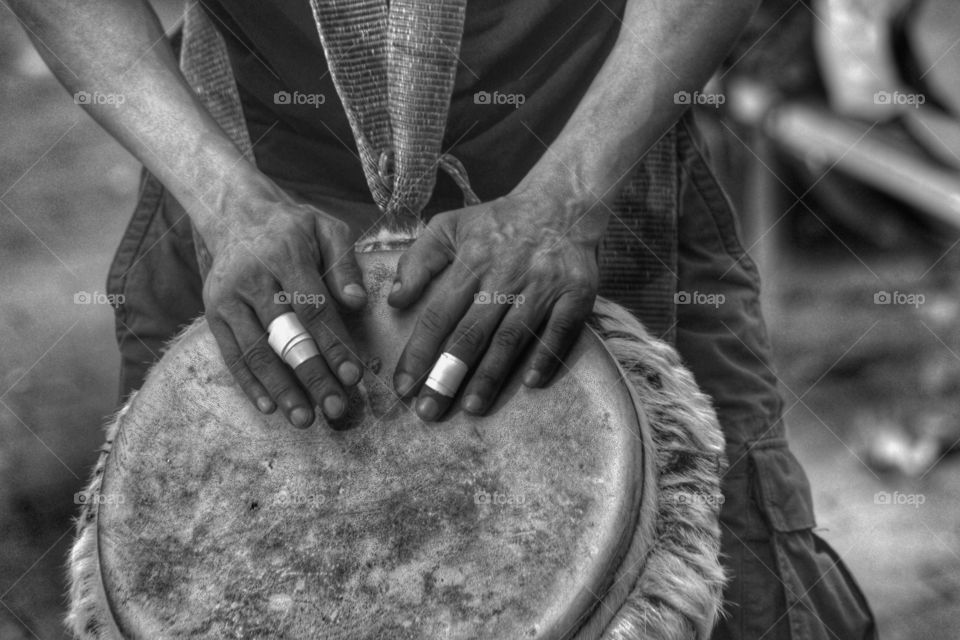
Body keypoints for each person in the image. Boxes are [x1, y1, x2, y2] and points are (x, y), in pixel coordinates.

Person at [13, 0, 877, 637]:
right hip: (245, 182)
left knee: (742, 593)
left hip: (592, 155)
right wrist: (221, 200)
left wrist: (572, 196)